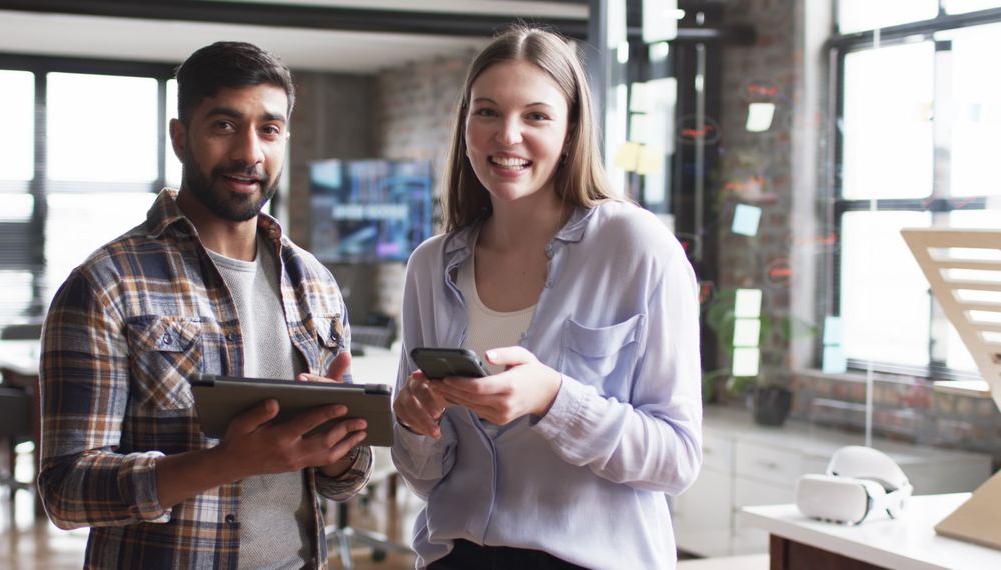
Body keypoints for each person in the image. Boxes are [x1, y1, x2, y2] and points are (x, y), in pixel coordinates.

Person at [38, 41, 372, 569]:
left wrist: (340, 442)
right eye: (223, 125)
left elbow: (342, 481)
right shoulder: (106, 284)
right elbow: (66, 491)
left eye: (269, 129)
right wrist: (224, 463)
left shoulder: (316, 283)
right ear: (180, 137)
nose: (249, 152)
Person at [390, 26, 702, 569]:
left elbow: (677, 460)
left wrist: (555, 400)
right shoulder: (430, 265)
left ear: (571, 129)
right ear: (465, 124)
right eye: (486, 112)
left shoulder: (636, 246)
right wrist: (418, 426)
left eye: (535, 116)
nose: (507, 136)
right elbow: (425, 475)